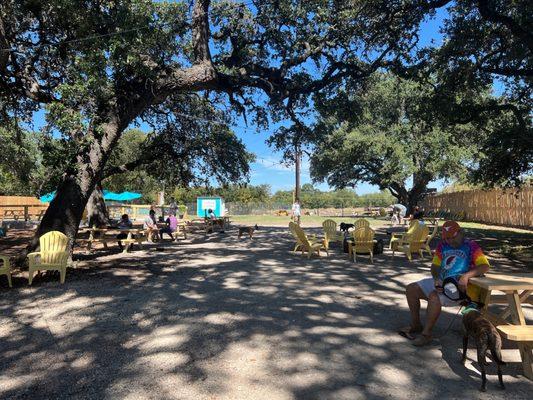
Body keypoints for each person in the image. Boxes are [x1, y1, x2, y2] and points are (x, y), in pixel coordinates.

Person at [400, 221, 490, 346]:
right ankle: (416, 324)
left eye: (452, 237)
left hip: (461, 287)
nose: (450, 241)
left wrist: (466, 276)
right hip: (443, 280)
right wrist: (436, 278)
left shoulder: (471, 245)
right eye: (447, 238)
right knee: (411, 289)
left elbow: (485, 266)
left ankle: (426, 334)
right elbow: (435, 266)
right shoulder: (442, 246)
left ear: (460, 233)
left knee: (433, 296)